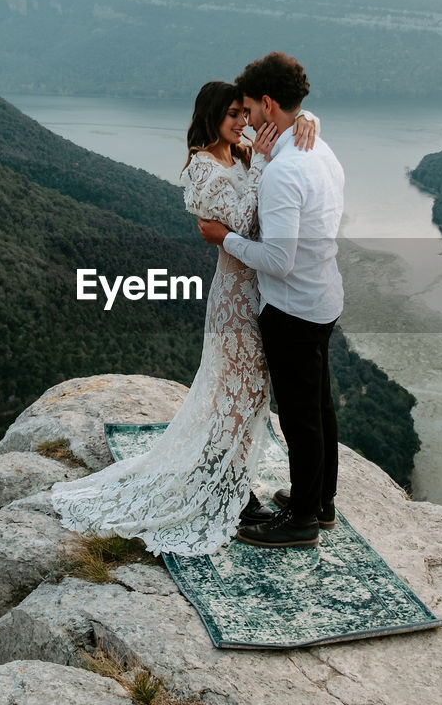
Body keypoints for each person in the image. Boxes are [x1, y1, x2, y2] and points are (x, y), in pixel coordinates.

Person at [49, 80, 315, 556]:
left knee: (250, 394)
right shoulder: (201, 166)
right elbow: (241, 220)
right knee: (240, 392)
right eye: (233, 114)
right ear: (212, 115)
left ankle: (231, 479)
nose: (242, 122)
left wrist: (307, 122)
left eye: (244, 113)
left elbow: (262, 208)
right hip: (235, 293)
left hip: (261, 289)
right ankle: (231, 489)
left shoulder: (243, 155)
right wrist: (267, 166)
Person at [199, 52, 345, 549]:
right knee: (320, 405)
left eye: (249, 110)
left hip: (293, 308)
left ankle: (301, 520)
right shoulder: (320, 150)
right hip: (324, 296)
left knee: (302, 416)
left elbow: (278, 259)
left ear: (267, 104)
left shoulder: (284, 172)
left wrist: (224, 239)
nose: (246, 120)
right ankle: (320, 500)